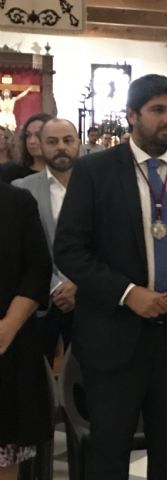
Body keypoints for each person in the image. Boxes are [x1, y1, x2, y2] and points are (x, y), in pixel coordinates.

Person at [54, 74, 167, 480]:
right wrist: (127, 292)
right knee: (110, 450)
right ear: (131, 114)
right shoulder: (94, 171)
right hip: (114, 335)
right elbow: (69, 249)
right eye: (157, 111)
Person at [12, 118, 81, 365]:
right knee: (36, 372)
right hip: (41, 299)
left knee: (88, 375)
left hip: (87, 296)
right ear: (41, 146)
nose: (61, 146)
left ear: (78, 143)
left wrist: (77, 284)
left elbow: (105, 242)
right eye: (52, 141)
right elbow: (22, 250)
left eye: (67, 140)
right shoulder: (22, 189)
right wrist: (55, 286)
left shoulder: (96, 188)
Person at [0, 181, 52, 480]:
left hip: (7, 344)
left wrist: (9, 326)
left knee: (4, 452)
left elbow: (37, 269)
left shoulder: (16, 202)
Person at [0, 112, 53, 184]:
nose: (32, 141)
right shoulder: (8, 171)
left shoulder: (63, 172)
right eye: (28, 135)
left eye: (38, 135)